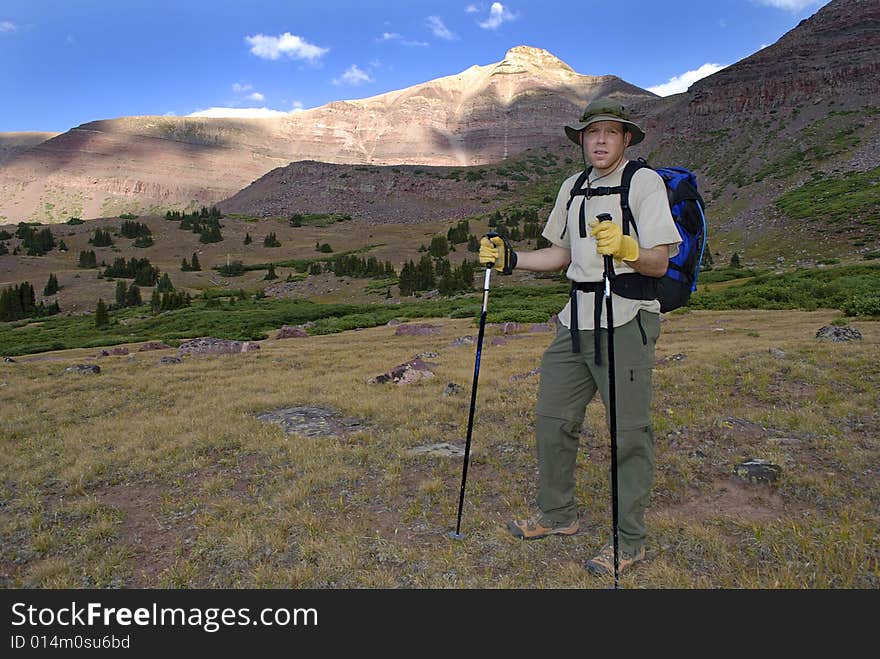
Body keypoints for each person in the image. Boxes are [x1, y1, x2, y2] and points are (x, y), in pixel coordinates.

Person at [479, 97, 681, 576]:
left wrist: (629, 248)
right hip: (576, 319)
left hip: (627, 317)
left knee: (628, 434)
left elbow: (659, 261)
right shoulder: (572, 187)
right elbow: (561, 255)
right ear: (582, 140)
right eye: (593, 133)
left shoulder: (643, 183)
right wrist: (511, 259)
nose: (601, 141)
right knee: (552, 420)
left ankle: (629, 542)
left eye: (611, 132)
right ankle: (557, 516)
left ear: (626, 138)